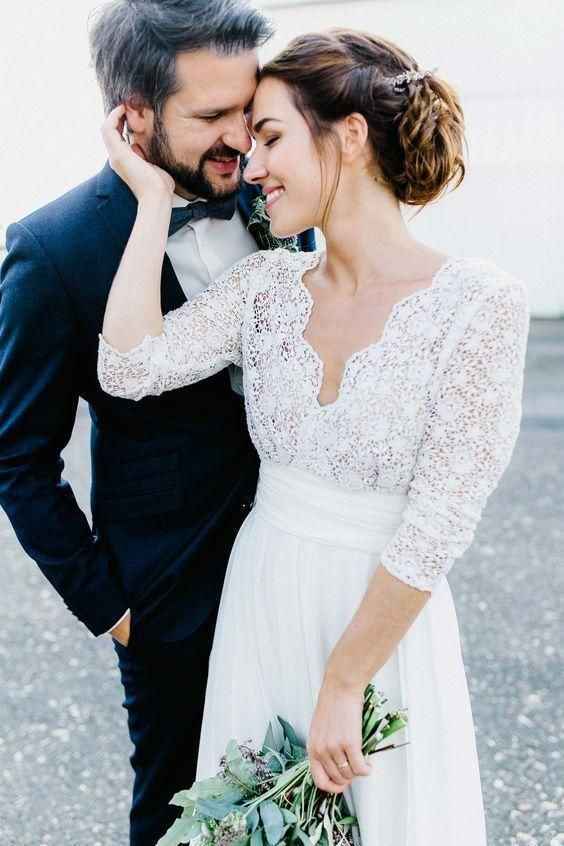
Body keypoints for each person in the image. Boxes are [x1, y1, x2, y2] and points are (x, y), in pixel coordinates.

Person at [97, 29, 529, 845]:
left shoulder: (479, 305)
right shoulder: (265, 287)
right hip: (265, 598)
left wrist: (345, 679)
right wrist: (151, 199)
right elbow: (128, 367)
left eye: (269, 137)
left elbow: (439, 520)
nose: (250, 167)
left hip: (382, 626)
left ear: (352, 135)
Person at [0, 1, 315, 844]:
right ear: (132, 116)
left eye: (248, 112)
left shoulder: (279, 198)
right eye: (211, 117)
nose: (242, 139)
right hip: (172, 606)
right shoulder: (53, 247)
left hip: (304, 573)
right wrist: (113, 609)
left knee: (308, 800)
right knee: (180, 815)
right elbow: (19, 460)